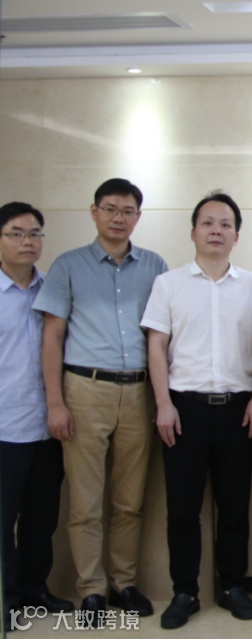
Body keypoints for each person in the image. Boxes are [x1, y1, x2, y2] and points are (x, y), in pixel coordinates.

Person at [33, 178, 167, 623]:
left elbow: (161, 335)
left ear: (138, 217)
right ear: (94, 212)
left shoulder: (155, 266)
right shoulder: (68, 265)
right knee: (85, 502)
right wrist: (56, 403)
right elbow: (52, 338)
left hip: (139, 392)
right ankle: (90, 589)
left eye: (127, 211)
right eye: (110, 209)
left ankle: (123, 584)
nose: (118, 218)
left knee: (129, 500)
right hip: (84, 390)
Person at [141, 192, 252, 629]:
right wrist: (163, 404)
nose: (217, 231)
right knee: (183, 508)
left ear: (237, 235)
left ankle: (233, 586)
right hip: (184, 409)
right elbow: (156, 346)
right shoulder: (169, 284)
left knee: (234, 505)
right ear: (193, 231)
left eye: (225, 224)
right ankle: (185, 591)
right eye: (208, 223)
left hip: (237, 409)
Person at [0, 202, 74, 629]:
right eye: (16, 233)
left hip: (48, 424)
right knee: (3, 520)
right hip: (5, 426)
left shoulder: (53, 289)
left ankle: (35, 590)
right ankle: (7, 599)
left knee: (42, 517)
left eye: (34, 234)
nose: (27, 242)